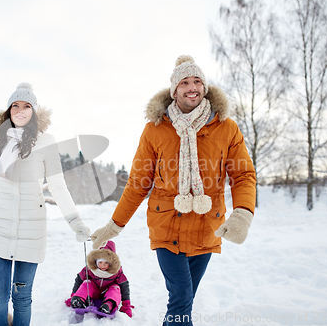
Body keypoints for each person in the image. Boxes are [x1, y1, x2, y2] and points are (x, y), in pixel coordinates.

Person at [91, 56, 256, 326]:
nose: (192, 87)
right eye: (185, 82)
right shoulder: (155, 129)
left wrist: (242, 214)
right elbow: (138, 183)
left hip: (207, 226)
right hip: (167, 226)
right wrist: (113, 226)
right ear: (174, 91)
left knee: (184, 300)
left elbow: (243, 174)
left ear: (204, 87)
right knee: (180, 296)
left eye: (197, 81)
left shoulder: (226, 128)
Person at [0, 82, 90, 326]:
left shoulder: (46, 142)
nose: (20, 110)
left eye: (26, 106)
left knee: (22, 297)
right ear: (8, 110)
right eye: (15, 105)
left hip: (31, 230)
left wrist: (75, 221)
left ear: (33, 111)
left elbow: (58, 185)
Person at [65, 240, 133, 317]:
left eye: (106, 263)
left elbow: (124, 286)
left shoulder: (116, 271)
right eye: (100, 263)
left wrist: (126, 304)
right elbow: (79, 280)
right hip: (93, 293)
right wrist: (73, 295)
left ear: (111, 263)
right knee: (87, 283)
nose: (103, 266)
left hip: (108, 293)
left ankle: (108, 305)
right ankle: (79, 300)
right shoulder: (90, 269)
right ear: (96, 262)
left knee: (115, 288)